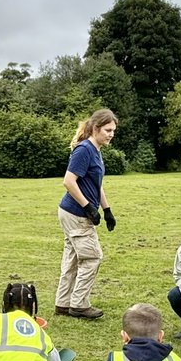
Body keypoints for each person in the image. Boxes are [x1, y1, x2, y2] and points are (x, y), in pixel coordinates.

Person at [55, 109, 118, 320]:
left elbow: (96, 184)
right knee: (92, 257)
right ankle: (79, 305)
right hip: (75, 213)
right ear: (96, 128)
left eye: (113, 131)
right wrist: (88, 207)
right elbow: (68, 181)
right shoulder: (84, 150)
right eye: (108, 130)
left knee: (72, 258)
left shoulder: (96, 150)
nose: (111, 134)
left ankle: (63, 303)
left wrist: (107, 210)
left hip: (73, 213)